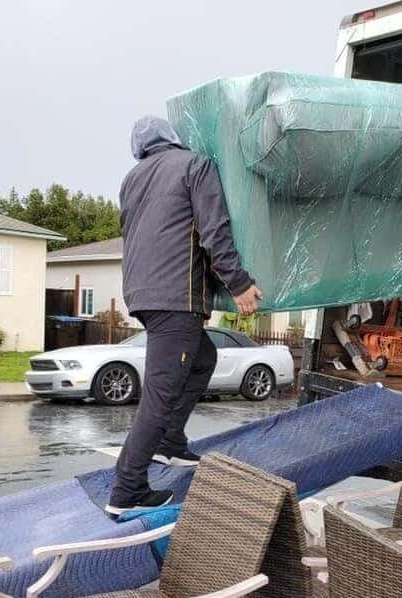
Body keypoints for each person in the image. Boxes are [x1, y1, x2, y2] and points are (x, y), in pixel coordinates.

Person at [106, 115, 262, 515]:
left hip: (143, 294)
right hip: (175, 297)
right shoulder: (194, 164)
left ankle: (169, 442)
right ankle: (127, 490)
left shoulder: (133, 178)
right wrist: (238, 283)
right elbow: (214, 231)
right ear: (174, 138)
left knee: (204, 359)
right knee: (159, 395)